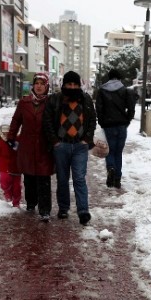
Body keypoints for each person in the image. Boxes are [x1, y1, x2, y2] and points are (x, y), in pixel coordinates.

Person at [43, 71, 96, 225]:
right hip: (61, 146)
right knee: (62, 179)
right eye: (69, 84)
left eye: (75, 84)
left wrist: (87, 138)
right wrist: (54, 141)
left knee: (79, 178)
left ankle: (83, 210)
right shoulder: (55, 99)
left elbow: (92, 119)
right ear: (64, 85)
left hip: (80, 146)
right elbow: (47, 121)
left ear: (79, 85)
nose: (72, 87)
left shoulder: (85, 99)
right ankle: (63, 208)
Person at [7, 72, 55, 222]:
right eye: (37, 83)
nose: (39, 86)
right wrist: (11, 137)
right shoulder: (24, 103)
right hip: (27, 145)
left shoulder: (51, 103)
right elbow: (16, 121)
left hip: (44, 145)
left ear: (46, 86)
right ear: (33, 85)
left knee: (43, 177)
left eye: (42, 83)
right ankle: (31, 202)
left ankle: (45, 209)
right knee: (29, 177)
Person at [95, 69, 135, 188]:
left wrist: (102, 122)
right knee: (118, 152)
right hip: (121, 125)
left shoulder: (102, 90)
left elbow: (99, 109)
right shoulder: (125, 90)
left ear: (109, 77)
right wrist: (127, 120)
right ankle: (117, 179)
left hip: (108, 126)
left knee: (110, 151)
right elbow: (131, 108)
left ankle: (111, 168)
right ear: (119, 78)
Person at [0, 124, 21, 208]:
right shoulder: (0, 141)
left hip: (16, 166)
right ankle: (7, 192)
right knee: (4, 181)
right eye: (4, 133)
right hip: (4, 164)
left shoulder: (16, 140)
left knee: (17, 186)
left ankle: (16, 202)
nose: (6, 134)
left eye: (7, 132)